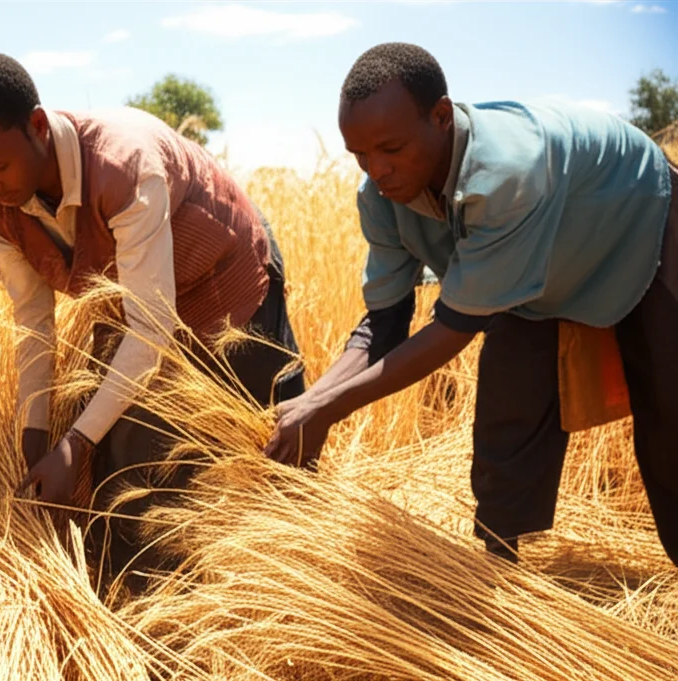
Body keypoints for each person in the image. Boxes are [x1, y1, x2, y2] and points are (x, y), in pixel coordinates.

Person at [265, 42, 678, 566]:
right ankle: (497, 575)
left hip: (639, 227)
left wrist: (324, 410)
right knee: (505, 422)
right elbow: (385, 324)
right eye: (360, 155)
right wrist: (307, 404)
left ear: (441, 117)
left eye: (390, 148)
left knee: (669, 417)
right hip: (541, 274)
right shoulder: (382, 198)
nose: (377, 170)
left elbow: (453, 329)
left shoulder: (508, 171)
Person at [0, 50, 306, 584]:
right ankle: (141, 595)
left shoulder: (124, 164)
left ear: (37, 126)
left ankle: (282, 580)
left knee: (274, 448)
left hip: (227, 279)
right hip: (140, 299)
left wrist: (73, 442)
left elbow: (152, 327)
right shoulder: (0, 204)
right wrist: (37, 433)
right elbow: (34, 321)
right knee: (122, 464)